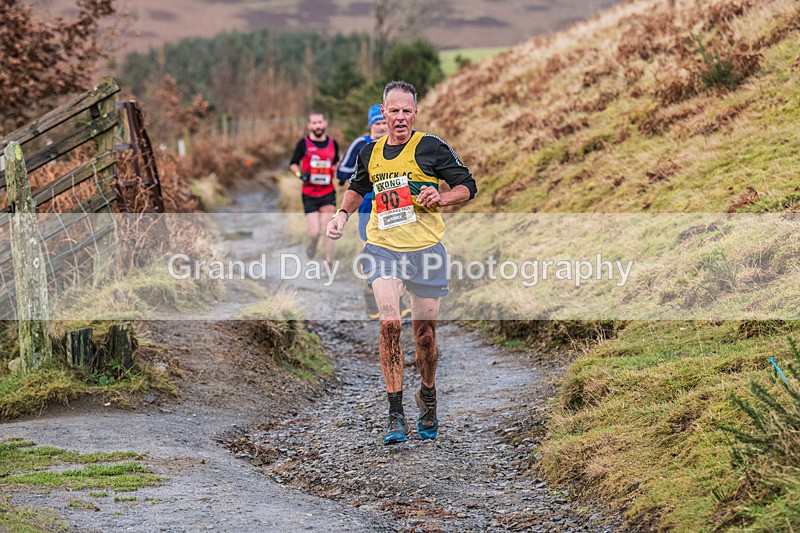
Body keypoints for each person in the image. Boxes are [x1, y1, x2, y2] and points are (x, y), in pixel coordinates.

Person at [326, 81, 477, 445]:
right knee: (390, 324)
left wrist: (441, 197)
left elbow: (467, 185)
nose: (399, 117)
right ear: (383, 113)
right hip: (383, 248)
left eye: (406, 111)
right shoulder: (369, 152)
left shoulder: (431, 147)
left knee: (425, 336)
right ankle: (395, 414)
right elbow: (357, 187)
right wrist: (342, 216)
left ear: (415, 113)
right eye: (393, 111)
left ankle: (427, 395)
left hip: (425, 250)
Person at [337, 104, 409, 320]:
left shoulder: (399, 143)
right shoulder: (361, 144)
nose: (381, 127)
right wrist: (364, 173)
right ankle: (370, 299)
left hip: (396, 207)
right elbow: (342, 170)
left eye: (383, 122)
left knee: (399, 253)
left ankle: (399, 301)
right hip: (368, 209)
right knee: (371, 255)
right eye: (377, 123)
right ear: (371, 125)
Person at [289, 112, 340, 264]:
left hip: (327, 192)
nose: (317, 126)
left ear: (325, 123)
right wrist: (300, 174)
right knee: (315, 232)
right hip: (309, 194)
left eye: (320, 122)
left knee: (328, 229)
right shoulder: (303, 144)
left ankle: (329, 262)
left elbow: (337, 163)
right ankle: (313, 244)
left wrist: (337, 171)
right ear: (309, 125)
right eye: (314, 123)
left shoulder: (333, 144)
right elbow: (293, 164)